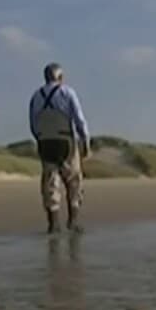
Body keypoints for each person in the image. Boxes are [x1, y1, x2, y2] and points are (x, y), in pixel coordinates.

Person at [29, 62, 91, 234]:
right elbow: (79, 119)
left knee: (50, 182)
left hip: (45, 141)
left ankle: (53, 223)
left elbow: (33, 124)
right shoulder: (67, 92)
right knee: (74, 181)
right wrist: (85, 141)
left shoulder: (36, 96)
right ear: (61, 77)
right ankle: (73, 221)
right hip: (65, 140)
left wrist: (40, 139)